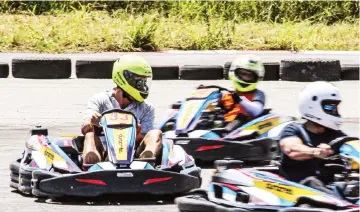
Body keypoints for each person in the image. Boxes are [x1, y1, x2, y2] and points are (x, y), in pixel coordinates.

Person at [80, 54, 162, 165]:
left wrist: (136, 133)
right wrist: (91, 122)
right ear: (125, 79)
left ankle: (148, 159)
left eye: (144, 82)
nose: (143, 87)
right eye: (139, 82)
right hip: (104, 152)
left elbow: (144, 137)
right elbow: (84, 129)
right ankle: (92, 165)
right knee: (89, 136)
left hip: (134, 156)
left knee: (155, 133)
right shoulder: (100, 100)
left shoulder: (147, 108)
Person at [278, 81, 350, 194]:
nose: (334, 111)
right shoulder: (293, 129)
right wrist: (315, 152)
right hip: (297, 190)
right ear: (312, 106)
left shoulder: (336, 135)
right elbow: (291, 149)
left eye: (335, 108)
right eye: (329, 107)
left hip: (328, 188)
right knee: (312, 182)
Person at [219, 56, 267, 130]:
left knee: (241, 117)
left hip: (245, 127)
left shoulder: (258, 94)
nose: (246, 78)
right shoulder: (226, 93)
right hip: (224, 124)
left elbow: (256, 110)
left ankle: (224, 134)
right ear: (236, 73)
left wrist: (240, 100)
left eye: (249, 76)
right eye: (243, 74)